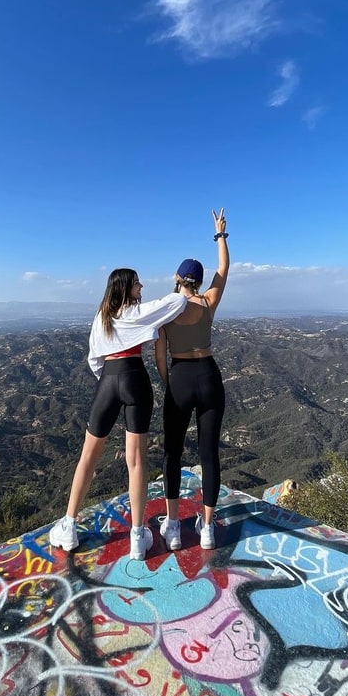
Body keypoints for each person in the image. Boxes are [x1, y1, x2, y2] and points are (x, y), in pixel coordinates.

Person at [49, 269, 187, 560]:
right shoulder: (139, 312)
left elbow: (93, 359)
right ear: (125, 287)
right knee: (136, 461)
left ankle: (69, 526)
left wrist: (109, 381)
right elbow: (178, 304)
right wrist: (179, 286)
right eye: (137, 282)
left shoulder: (102, 316)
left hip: (109, 379)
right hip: (136, 378)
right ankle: (138, 536)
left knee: (88, 456)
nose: (141, 286)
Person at [155, 208, 229, 551]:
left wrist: (169, 382)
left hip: (181, 377)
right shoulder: (207, 301)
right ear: (197, 280)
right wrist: (220, 235)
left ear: (176, 277)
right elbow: (224, 270)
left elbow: (159, 355)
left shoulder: (165, 310)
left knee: (172, 452)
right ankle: (208, 528)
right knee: (208, 454)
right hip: (209, 375)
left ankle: (172, 526)